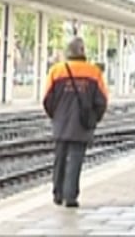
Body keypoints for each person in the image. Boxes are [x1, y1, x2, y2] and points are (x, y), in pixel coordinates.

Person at [43, 37, 109, 208]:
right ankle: (70, 196)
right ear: (82, 51)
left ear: (68, 52)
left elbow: (47, 99)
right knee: (76, 160)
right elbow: (102, 101)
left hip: (61, 123)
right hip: (82, 123)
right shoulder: (94, 73)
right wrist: (94, 118)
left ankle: (57, 194)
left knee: (60, 159)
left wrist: (55, 116)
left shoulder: (56, 71)